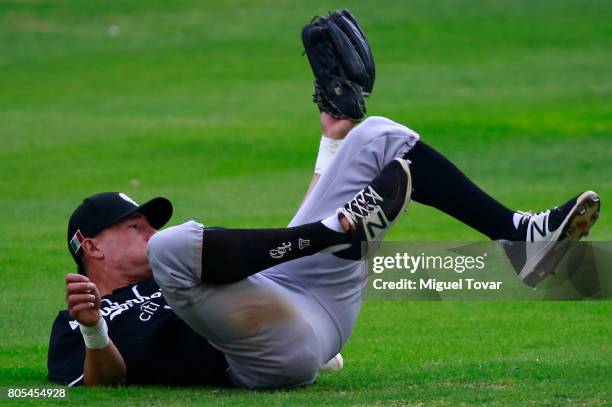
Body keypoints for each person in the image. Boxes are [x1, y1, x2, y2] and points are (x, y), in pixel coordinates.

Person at [47, 109, 600, 388]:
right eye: (132, 223)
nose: (144, 226)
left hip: (304, 300)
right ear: (90, 246)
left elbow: (283, 239)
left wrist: (331, 142)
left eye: (146, 220)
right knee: (174, 248)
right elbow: (98, 386)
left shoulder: (172, 269)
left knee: (376, 135)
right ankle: (343, 229)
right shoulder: (74, 322)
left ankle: (520, 237)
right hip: (268, 355)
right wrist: (95, 328)